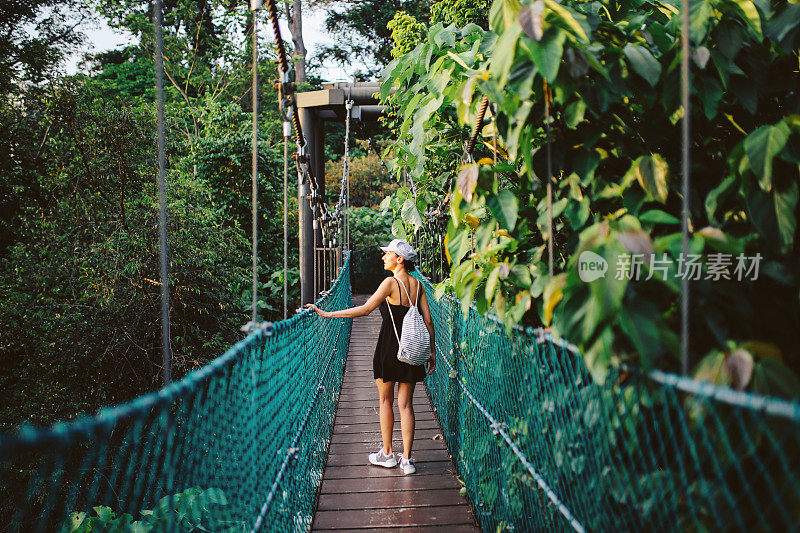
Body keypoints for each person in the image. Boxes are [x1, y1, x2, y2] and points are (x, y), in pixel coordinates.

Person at [306, 239, 436, 474]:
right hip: (412, 350)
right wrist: (432, 351)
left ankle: (387, 455)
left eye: (388, 253)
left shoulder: (390, 283)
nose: (383, 257)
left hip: (389, 349)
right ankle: (406, 460)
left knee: (386, 401)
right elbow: (428, 321)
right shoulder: (419, 286)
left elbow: (365, 309)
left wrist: (327, 314)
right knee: (406, 405)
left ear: (400, 259)